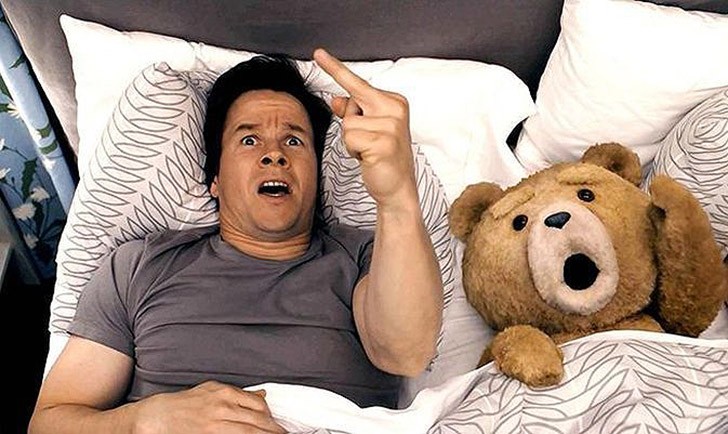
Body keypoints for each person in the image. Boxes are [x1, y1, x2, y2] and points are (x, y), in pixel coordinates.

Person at [29, 49, 443, 434]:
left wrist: (396, 194)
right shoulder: (139, 266)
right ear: (215, 180)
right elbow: (50, 423)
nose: (274, 154)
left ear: (317, 177)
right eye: (249, 139)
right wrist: (145, 420)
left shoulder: (366, 257)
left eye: (294, 140)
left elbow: (405, 353)